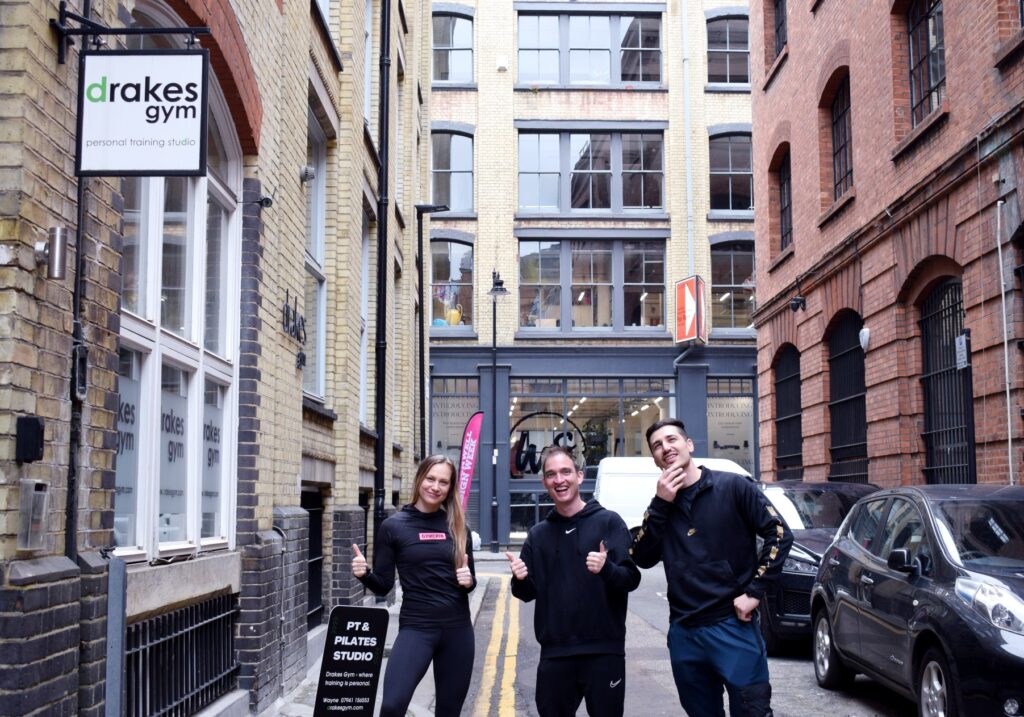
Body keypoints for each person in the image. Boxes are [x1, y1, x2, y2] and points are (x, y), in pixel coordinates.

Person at [632, 419, 793, 717]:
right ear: (655, 459)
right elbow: (641, 556)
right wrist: (661, 504)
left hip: (732, 625)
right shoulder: (660, 507)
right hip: (685, 632)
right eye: (657, 445)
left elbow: (779, 533)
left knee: (752, 711)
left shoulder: (732, 486)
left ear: (689, 444)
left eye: (671, 440)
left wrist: (755, 592)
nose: (666, 448)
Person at [506, 446, 641, 717]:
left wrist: (606, 569)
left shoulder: (609, 522)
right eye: (552, 474)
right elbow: (527, 593)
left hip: (603, 651)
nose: (559, 480)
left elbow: (630, 579)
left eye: (566, 472)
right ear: (544, 482)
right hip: (555, 654)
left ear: (580, 477)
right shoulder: (538, 535)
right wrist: (519, 579)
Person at [351, 455, 476, 717]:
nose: (435, 486)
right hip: (417, 628)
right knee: (392, 706)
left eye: (443, 482)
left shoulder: (458, 526)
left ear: (450, 487)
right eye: (431, 478)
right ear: (420, 479)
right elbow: (383, 586)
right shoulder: (394, 526)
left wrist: (468, 581)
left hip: (458, 630)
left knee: (448, 711)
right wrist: (364, 574)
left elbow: (468, 580)